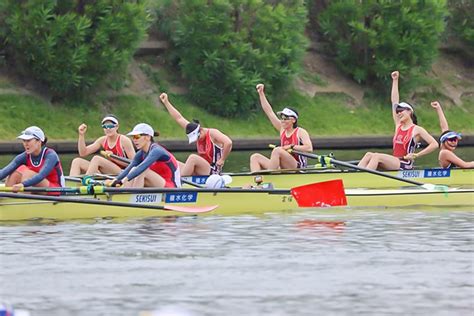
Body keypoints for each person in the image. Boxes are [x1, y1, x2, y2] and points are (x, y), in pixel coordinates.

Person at [358, 71, 438, 170]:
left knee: (376, 156)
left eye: (401, 110)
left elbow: (434, 144)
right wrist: (395, 80)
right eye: (397, 111)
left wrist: (416, 155)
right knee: (369, 154)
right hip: (395, 162)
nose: (398, 113)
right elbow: (394, 101)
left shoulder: (417, 130)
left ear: (409, 112)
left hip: (405, 163)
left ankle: (365, 178)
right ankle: (355, 177)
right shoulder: (398, 125)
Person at [159, 93, 233, 176]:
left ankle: (180, 181)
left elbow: (228, 142)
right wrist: (166, 102)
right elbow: (178, 118)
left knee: (192, 158)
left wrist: (222, 159)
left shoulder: (212, 133)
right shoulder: (192, 128)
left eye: (197, 137)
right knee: (173, 162)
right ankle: (170, 180)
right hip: (202, 169)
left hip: (213, 171)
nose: (197, 140)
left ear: (200, 131)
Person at [250, 83, 313, 172]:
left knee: (277, 150)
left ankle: (269, 178)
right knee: (255, 157)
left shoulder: (300, 132)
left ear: (293, 120)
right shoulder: (282, 129)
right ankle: (257, 182)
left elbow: (309, 148)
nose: (282, 121)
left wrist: (291, 146)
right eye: (282, 118)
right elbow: (269, 111)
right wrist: (261, 93)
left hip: (297, 167)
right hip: (283, 165)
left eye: (286, 118)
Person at [105, 123, 181, 188]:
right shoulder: (140, 154)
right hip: (157, 184)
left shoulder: (157, 150)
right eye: (133, 137)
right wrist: (115, 180)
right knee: (133, 169)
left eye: (137, 136)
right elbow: (128, 169)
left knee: (142, 171)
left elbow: (142, 167)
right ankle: (126, 194)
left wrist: (122, 181)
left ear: (148, 137)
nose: (134, 140)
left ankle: (132, 198)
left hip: (172, 188)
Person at [0, 126, 65, 193]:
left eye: (28, 140)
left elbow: (41, 176)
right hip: (38, 185)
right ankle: (11, 198)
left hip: (56, 189)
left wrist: (22, 184)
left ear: (39, 141)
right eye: (24, 140)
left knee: (27, 175)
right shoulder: (24, 156)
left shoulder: (51, 155)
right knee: (14, 175)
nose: (25, 144)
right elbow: (5, 171)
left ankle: (25, 198)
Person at [69, 115, 135, 176]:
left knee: (97, 159)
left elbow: (134, 163)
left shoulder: (124, 140)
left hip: (123, 173)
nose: (108, 129)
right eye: (105, 127)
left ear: (117, 127)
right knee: (77, 161)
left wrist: (113, 157)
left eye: (111, 126)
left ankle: (86, 182)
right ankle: (72, 185)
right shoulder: (102, 140)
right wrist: (81, 135)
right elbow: (83, 153)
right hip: (108, 171)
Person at [431, 101, 474, 168]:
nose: (454, 142)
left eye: (456, 140)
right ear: (443, 141)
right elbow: (465, 165)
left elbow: (444, 127)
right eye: (451, 139)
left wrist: (438, 108)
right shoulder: (445, 153)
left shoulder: (444, 151)